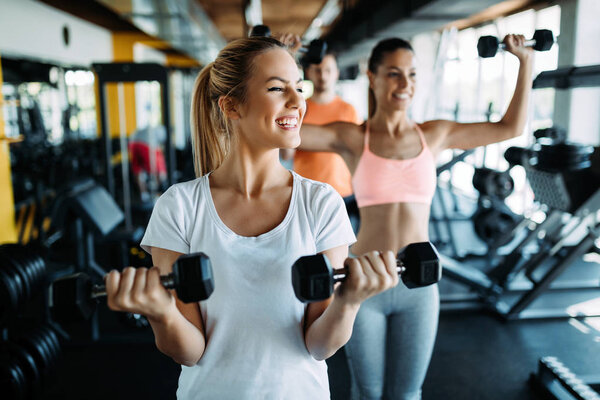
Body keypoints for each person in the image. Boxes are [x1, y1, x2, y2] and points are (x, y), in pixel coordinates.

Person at [102, 36, 400, 399]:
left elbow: (319, 345)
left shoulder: (321, 203)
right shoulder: (179, 207)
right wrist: (161, 313)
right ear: (231, 106)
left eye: (298, 86)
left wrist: (349, 302)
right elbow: (190, 351)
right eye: (277, 88)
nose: (297, 101)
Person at [293, 35, 533, 399]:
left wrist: (525, 62)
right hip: (365, 280)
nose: (405, 84)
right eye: (393, 74)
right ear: (371, 77)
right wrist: (278, 63)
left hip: (420, 287)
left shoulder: (435, 134)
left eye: (412, 74)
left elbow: (509, 128)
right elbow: (279, 130)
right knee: (367, 392)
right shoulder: (353, 137)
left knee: (408, 394)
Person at [281, 52, 361, 199]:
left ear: (336, 73)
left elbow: (357, 153)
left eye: (328, 70)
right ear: (309, 72)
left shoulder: (349, 110)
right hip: (306, 192)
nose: (323, 76)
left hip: (342, 194)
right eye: (318, 70)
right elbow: (286, 155)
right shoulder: (298, 108)